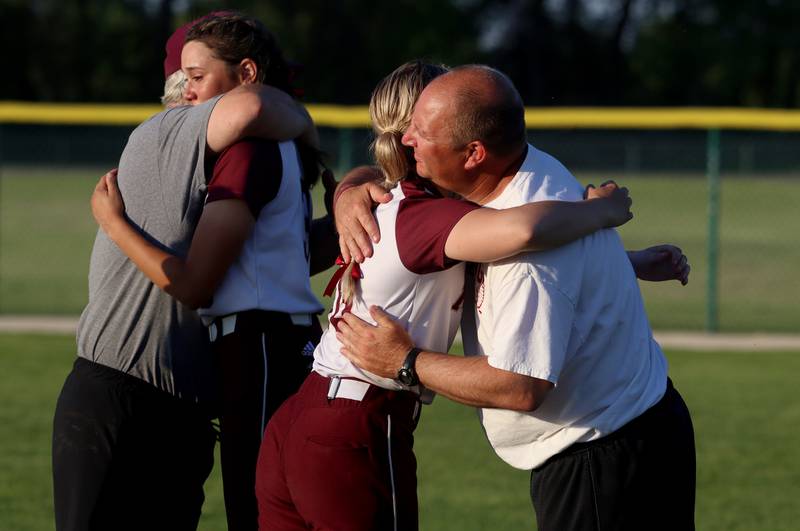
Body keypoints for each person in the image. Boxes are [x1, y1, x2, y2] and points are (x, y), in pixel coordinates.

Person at [254, 60, 638, 531]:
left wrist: (628, 262)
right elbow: (523, 230)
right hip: (356, 424)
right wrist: (605, 212)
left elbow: (519, 270)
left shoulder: (388, 200)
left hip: (302, 416)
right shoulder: (428, 217)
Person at [337, 65, 695, 531]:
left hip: (601, 455)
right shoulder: (513, 177)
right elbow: (390, 171)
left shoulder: (530, 255)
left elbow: (520, 385)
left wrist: (404, 361)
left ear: (473, 153)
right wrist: (349, 190)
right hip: (621, 435)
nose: (407, 140)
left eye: (421, 133)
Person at [51, 13, 319, 531]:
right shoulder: (173, 127)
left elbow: (277, 256)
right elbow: (258, 104)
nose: (287, 97)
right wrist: (304, 121)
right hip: (122, 394)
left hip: (184, 406)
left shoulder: (234, 153)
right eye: (190, 78)